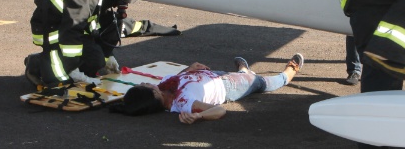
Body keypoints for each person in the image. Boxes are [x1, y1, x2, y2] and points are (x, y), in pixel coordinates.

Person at [109, 53, 304, 123]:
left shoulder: (164, 86)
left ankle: (245, 71)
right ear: (153, 93)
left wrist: (189, 69)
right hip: (227, 86)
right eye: (145, 85)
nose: (145, 82)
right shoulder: (184, 105)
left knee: (247, 77)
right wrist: (199, 116)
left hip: (214, 75)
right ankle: (287, 74)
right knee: (262, 83)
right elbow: (220, 110)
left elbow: (179, 78)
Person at [24, 0, 130, 87]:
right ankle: (36, 63)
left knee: (96, 61)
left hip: (70, 30)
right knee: (61, 84)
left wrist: (109, 56)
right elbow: (71, 30)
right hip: (52, 30)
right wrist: (71, 68)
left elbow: (105, 26)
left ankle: (63, 65)